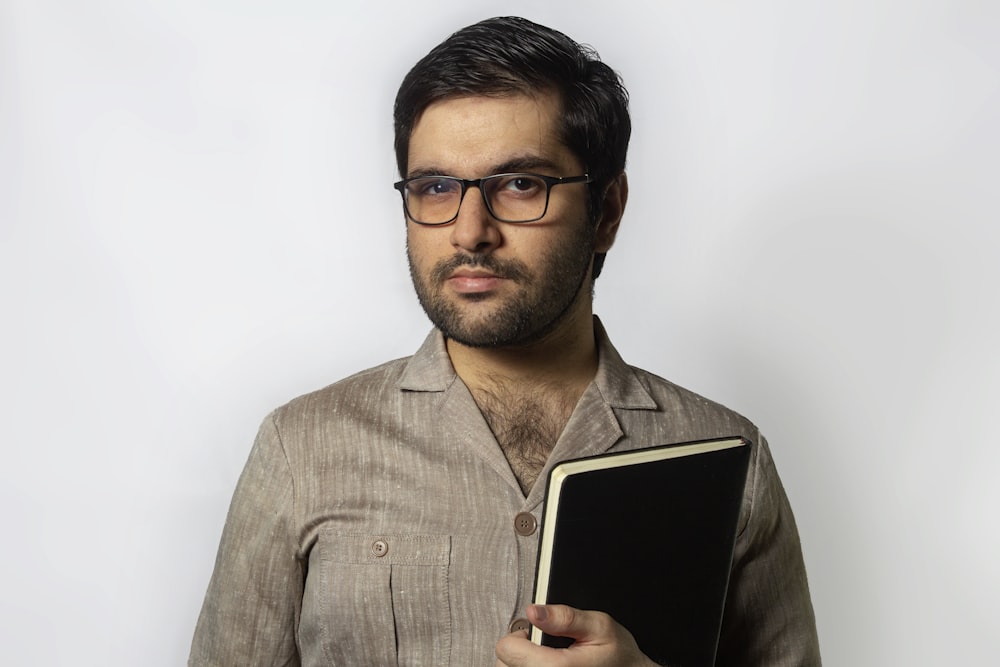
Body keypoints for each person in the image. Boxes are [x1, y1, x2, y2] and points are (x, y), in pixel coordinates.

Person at [189, 16, 821, 667]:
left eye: (520, 184)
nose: (469, 232)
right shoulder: (302, 449)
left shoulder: (727, 457)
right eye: (435, 187)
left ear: (605, 211)